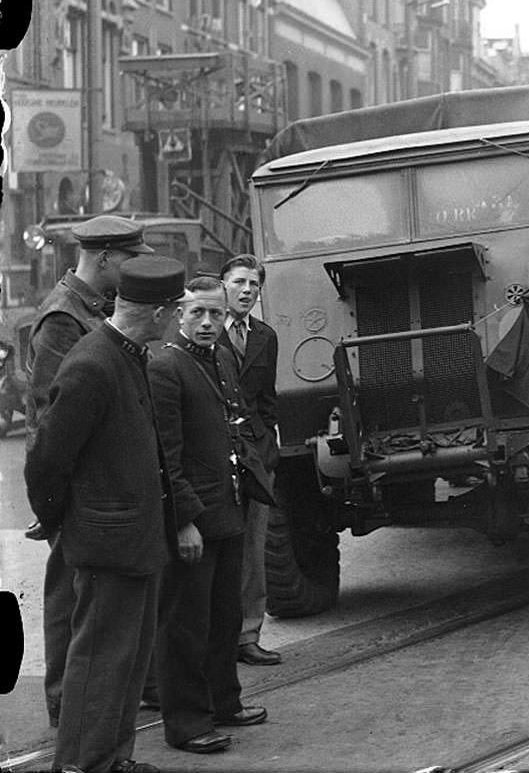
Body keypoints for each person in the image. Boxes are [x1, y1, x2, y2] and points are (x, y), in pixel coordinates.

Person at [24, 254, 185, 773]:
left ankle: (113, 758)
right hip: (106, 542)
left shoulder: (128, 352)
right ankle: (83, 765)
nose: (178, 320)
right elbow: (47, 459)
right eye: (176, 311)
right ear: (158, 313)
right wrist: (60, 526)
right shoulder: (93, 362)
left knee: (129, 660)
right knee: (98, 663)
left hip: (136, 539)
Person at [22, 215, 153, 729]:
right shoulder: (63, 318)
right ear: (102, 258)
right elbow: (57, 420)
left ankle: (87, 710)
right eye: (130, 259)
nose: (135, 268)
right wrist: (53, 507)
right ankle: (65, 707)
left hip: (93, 480)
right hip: (78, 487)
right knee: (68, 597)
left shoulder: (88, 309)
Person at [151, 276, 272, 755]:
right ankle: (185, 722)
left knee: (224, 617)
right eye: (197, 313)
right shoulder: (165, 366)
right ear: (179, 315)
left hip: (228, 508)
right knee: (185, 624)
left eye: (216, 314)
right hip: (194, 519)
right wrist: (183, 520)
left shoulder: (222, 357)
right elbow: (167, 455)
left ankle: (225, 702)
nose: (207, 323)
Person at [218, 255, 283, 667]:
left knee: (254, 548)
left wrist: (266, 446)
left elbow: (267, 400)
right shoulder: (201, 331)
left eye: (254, 285)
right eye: (239, 282)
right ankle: (218, 639)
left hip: (256, 455)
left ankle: (247, 635)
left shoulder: (265, 336)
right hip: (215, 453)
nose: (246, 291)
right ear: (223, 284)